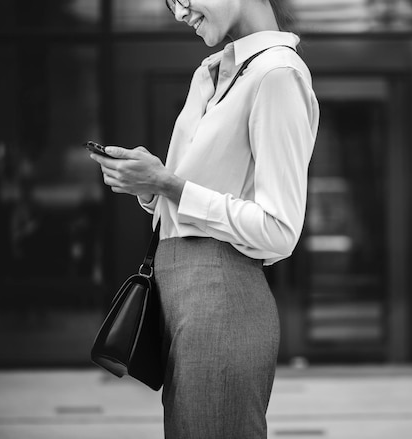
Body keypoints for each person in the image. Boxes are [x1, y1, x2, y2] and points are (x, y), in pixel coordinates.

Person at [89, 0, 319, 437]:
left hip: (223, 300)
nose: (179, 13)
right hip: (179, 298)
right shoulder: (209, 74)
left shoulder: (277, 75)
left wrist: (169, 184)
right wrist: (151, 186)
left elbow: (280, 229)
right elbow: (192, 203)